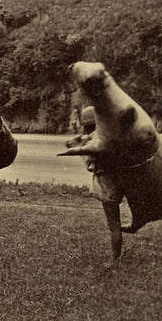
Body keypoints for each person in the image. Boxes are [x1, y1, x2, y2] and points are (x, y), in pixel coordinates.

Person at [68, 106, 124, 267]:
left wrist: (80, 143)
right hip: (119, 181)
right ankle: (116, 256)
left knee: (113, 224)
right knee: (116, 223)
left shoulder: (91, 142)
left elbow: (89, 164)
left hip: (106, 183)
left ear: (85, 125)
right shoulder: (109, 136)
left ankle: (115, 259)